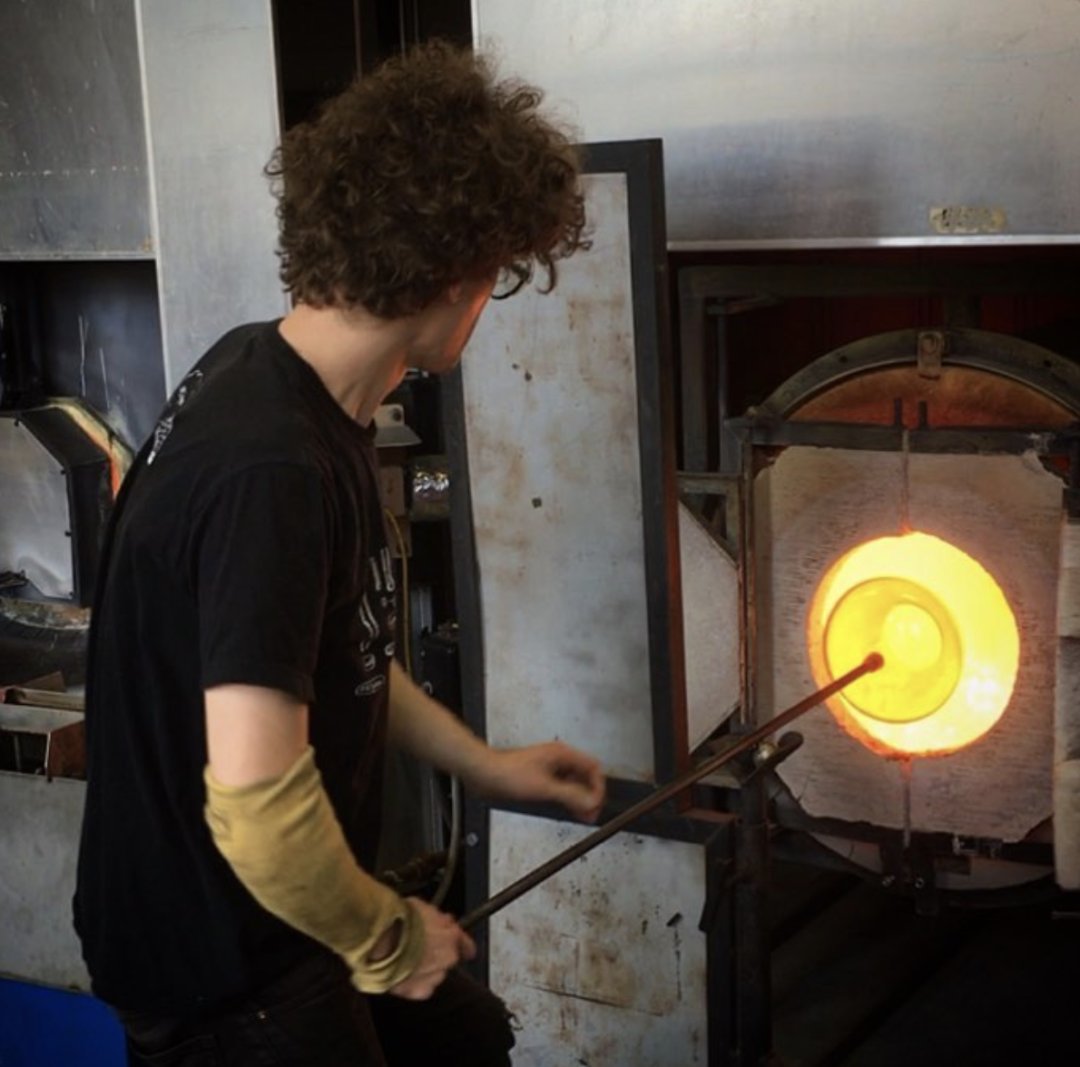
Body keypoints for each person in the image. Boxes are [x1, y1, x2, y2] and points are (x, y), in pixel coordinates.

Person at [73, 40, 603, 1067]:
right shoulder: (269, 465)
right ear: (454, 273)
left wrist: (485, 765)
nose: (489, 300)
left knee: (469, 1036)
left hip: (281, 920)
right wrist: (390, 937)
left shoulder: (285, 377)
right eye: (494, 273)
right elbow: (261, 815)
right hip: (218, 960)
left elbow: (329, 647)